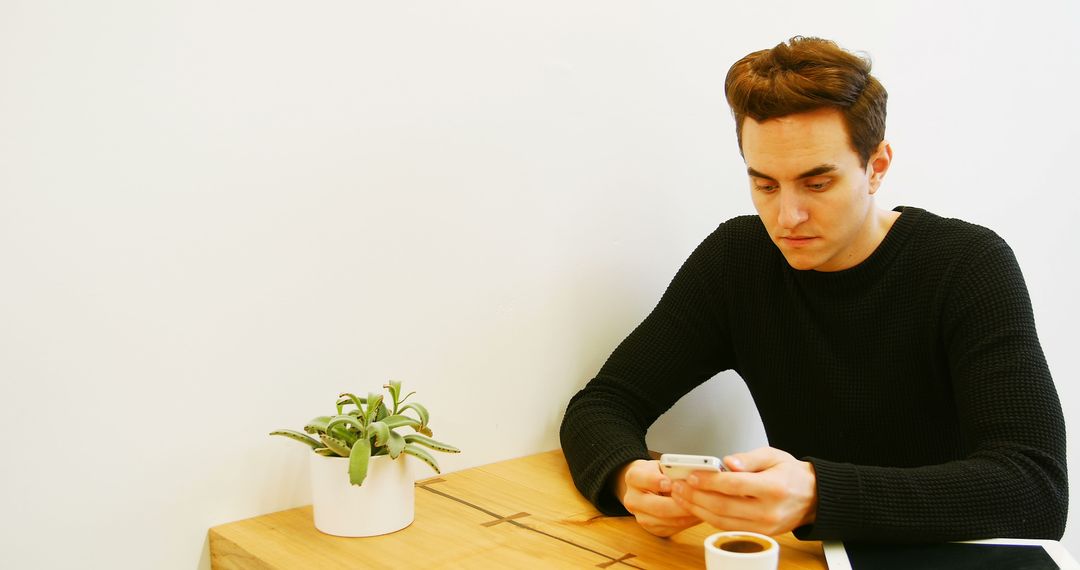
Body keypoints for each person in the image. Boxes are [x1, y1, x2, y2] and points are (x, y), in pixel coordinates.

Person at [559, 36, 1067, 543]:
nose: (788, 217)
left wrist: (820, 493)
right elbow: (602, 405)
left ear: (877, 168)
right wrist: (629, 478)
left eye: (818, 184)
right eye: (766, 185)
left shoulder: (967, 265)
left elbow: (1036, 488)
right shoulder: (739, 260)